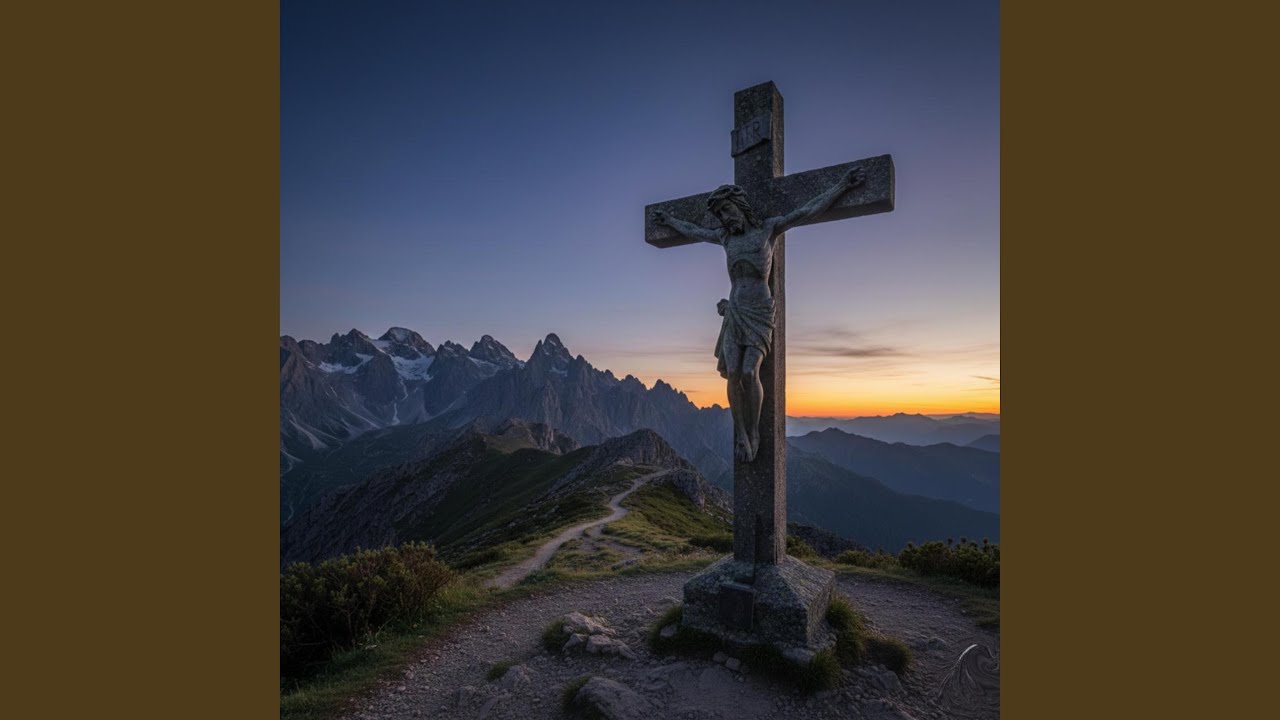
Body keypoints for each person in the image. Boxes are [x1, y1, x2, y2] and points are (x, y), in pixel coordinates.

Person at [654, 166, 865, 461]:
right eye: (720, 215)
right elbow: (693, 231)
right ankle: (740, 433)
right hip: (734, 311)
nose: (725, 218)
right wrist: (669, 220)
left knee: (749, 371)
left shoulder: (768, 229)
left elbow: (807, 210)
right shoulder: (726, 239)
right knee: (732, 375)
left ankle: (753, 431)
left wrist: (842, 186)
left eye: (727, 210)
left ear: (739, 206)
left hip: (759, 311)